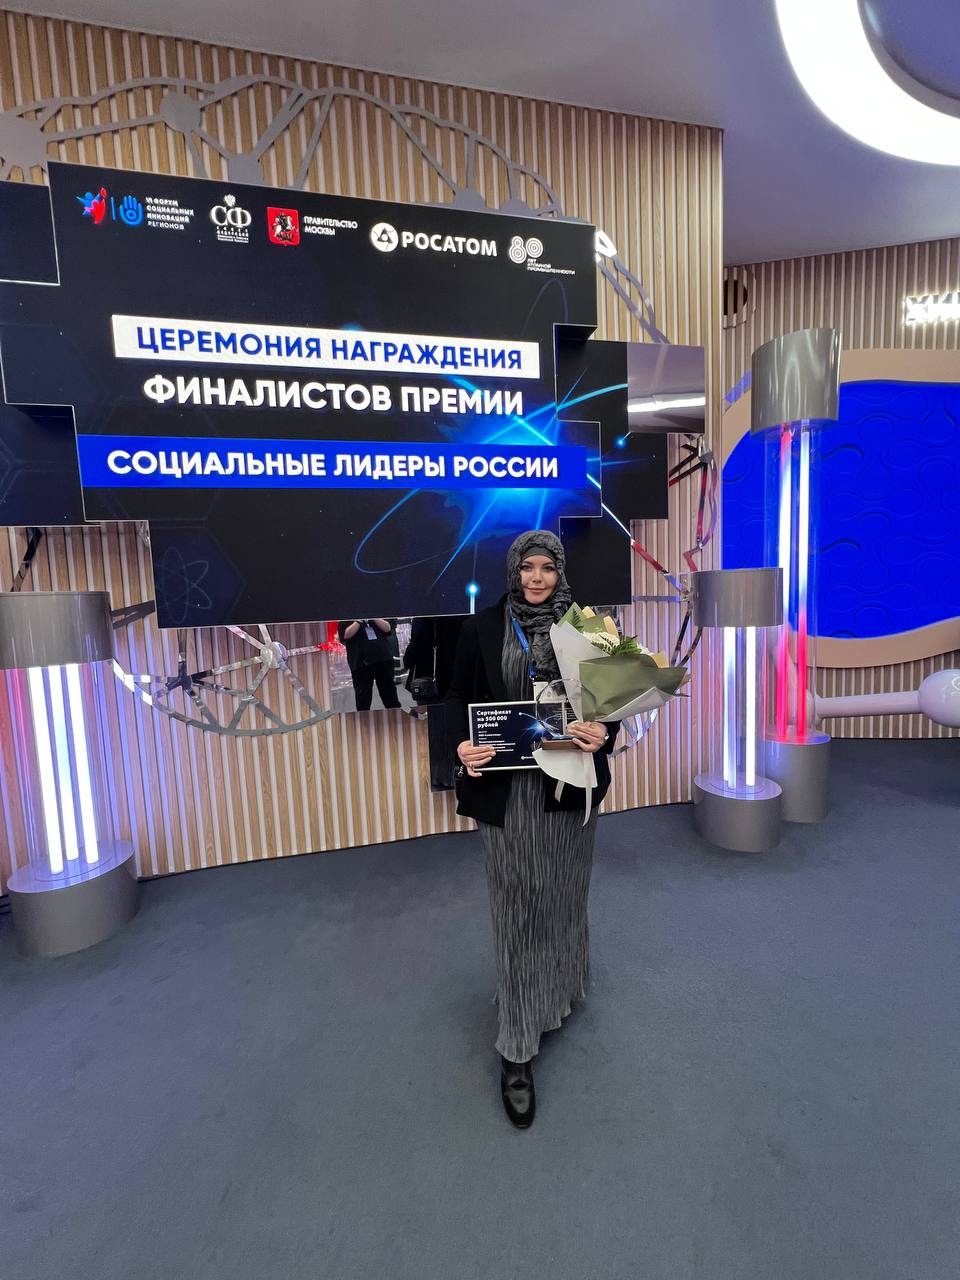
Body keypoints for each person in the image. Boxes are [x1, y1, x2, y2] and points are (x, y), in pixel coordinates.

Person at [445, 530, 619, 1129]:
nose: (537, 578)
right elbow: (456, 701)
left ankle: (561, 989)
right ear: (514, 571)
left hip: (568, 787)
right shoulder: (482, 626)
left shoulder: (589, 628)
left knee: (564, 895)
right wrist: (461, 748)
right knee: (517, 906)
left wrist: (604, 733)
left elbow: (610, 708)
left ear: (560, 571)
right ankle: (517, 1048)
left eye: (547, 567)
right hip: (510, 793)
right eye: (528, 567)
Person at [337, 618, 401, 711]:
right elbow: (345, 635)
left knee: (390, 694)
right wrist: (358, 621)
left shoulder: (375, 612)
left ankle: (395, 716)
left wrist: (373, 617)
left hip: (382, 658)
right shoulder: (347, 616)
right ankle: (364, 719)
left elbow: (387, 628)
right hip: (360, 662)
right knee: (363, 698)